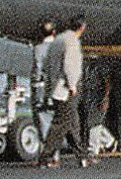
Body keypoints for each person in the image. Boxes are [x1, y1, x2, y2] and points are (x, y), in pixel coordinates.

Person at [37, 16, 93, 169]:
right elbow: (70, 64)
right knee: (61, 124)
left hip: (55, 88)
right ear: (82, 28)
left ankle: (82, 156)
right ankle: (46, 156)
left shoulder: (58, 39)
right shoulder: (72, 41)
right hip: (66, 89)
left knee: (71, 122)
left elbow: (47, 64)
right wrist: (73, 85)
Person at [80, 56, 114, 153]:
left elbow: (107, 83)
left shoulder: (100, 67)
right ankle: (109, 141)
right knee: (91, 122)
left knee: (94, 122)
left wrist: (105, 98)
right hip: (88, 97)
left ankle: (93, 147)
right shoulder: (86, 67)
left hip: (98, 96)